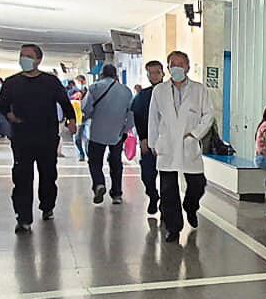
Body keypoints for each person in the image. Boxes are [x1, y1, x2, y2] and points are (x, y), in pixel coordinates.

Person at [0, 43, 76, 233]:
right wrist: (9, 115)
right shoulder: (11, 83)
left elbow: (65, 102)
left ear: (39, 60)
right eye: (22, 55)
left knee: (48, 174)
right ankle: (23, 217)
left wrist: (71, 120)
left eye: (28, 56)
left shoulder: (50, 82)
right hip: (22, 136)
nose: (24, 59)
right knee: (22, 177)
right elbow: (2, 104)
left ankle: (47, 205)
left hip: (47, 136)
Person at [146, 51, 212, 242]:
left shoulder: (199, 90)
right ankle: (173, 228)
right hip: (166, 145)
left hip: (189, 143)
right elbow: (153, 118)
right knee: (168, 190)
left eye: (180, 64)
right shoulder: (159, 91)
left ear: (188, 67)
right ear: (168, 68)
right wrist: (153, 143)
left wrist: (195, 134)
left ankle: (191, 207)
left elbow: (208, 115)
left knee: (198, 184)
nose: (177, 67)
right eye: (172, 64)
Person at [79, 64, 134, 205]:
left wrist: (91, 115)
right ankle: (117, 194)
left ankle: (99, 184)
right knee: (116, 162)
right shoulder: (126, 91)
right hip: (117, 132)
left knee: (94, 161)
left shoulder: (94, 88)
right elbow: (131, 113)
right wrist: (125, 129)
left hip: (97, 132)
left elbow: (86, 108)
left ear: (102, 74)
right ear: (116, 75)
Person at [131, 61, 165, 218]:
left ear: (163, 73)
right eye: (151, 73)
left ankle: (165, 207)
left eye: (157, 72)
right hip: (149, 142)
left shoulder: (171, 93)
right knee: (147, 175)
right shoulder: (143, 96)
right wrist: (143, 138)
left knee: (167, 178)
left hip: (167, 143)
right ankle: (153, 195)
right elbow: (138, 117)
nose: (154, 76)